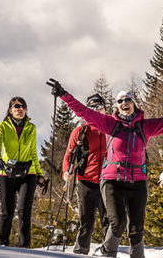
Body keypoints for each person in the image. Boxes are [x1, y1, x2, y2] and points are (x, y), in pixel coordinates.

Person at [47, 79, 163, 258]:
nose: (124, 103)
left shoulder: (145, 126)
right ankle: (107, 254)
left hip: (138, 182)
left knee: (136, 229)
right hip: (111, 181)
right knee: (117, 223)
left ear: (134, 104)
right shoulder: (110, 124)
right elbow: (83, 112)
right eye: (120, 101)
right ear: (116, 107)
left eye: (128, 100)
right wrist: (63, 95)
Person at [0, 96, 47, 247]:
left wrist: (39, 174)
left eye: (23, 106)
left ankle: (24, 246)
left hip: (28, 173)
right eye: (16, 106)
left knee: (24, 210)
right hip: (7, 173)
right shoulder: (3, 126)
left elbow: (33, 151)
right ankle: (2, 244)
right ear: (10, 110)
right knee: (7, 211)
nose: (20, 109)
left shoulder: (31, 127)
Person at [61, 93, 110, 255]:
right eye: (92, 107)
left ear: (105, 109)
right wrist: (66, 172)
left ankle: (109, 253)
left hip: (107, 182)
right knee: (86, 222)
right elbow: (68, 155)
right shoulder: (80, 131)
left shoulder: (111, 129)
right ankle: (80, 252)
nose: (96, 110)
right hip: (85, 182)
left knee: (109, 221)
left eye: (99, 106)